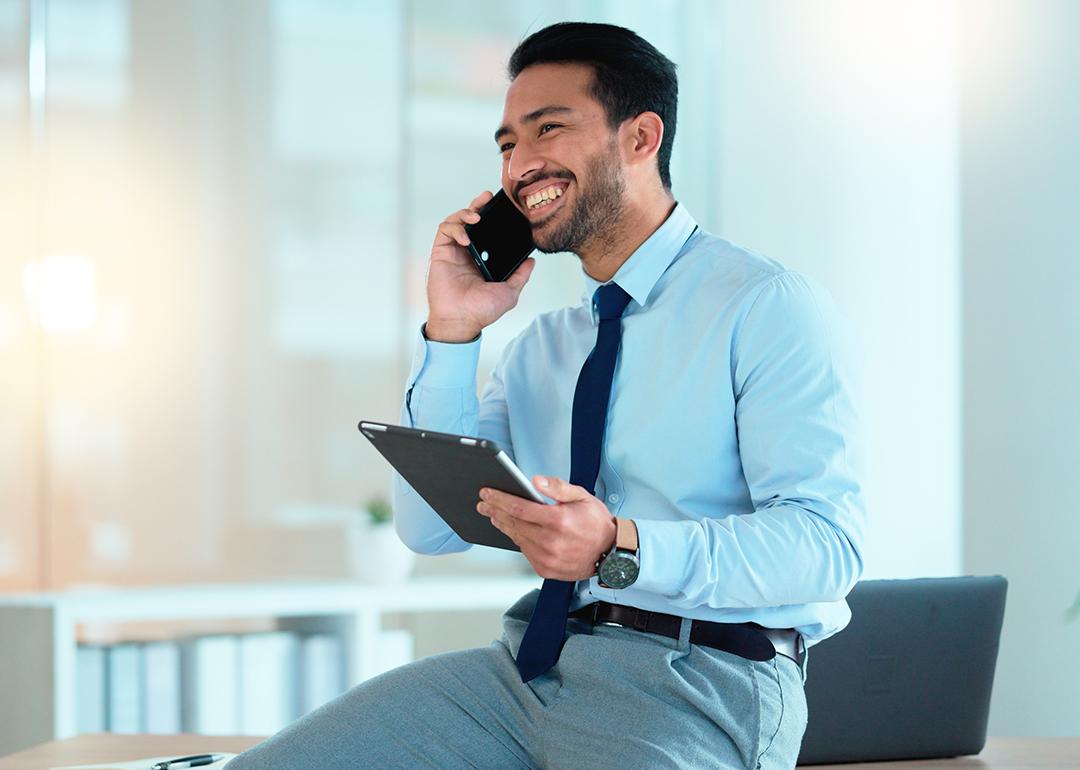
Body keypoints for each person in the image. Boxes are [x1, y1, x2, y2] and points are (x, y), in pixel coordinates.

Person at [230, 21, 865, 770]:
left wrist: (619, 544)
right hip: (528, 674)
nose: (519, 165)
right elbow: (428, 529)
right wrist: (452, 332)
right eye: (506, 144)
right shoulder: (541, 347)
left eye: (548, 130)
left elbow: (827, 547)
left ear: (640, 137)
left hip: (702, 681)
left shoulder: (763, 304)